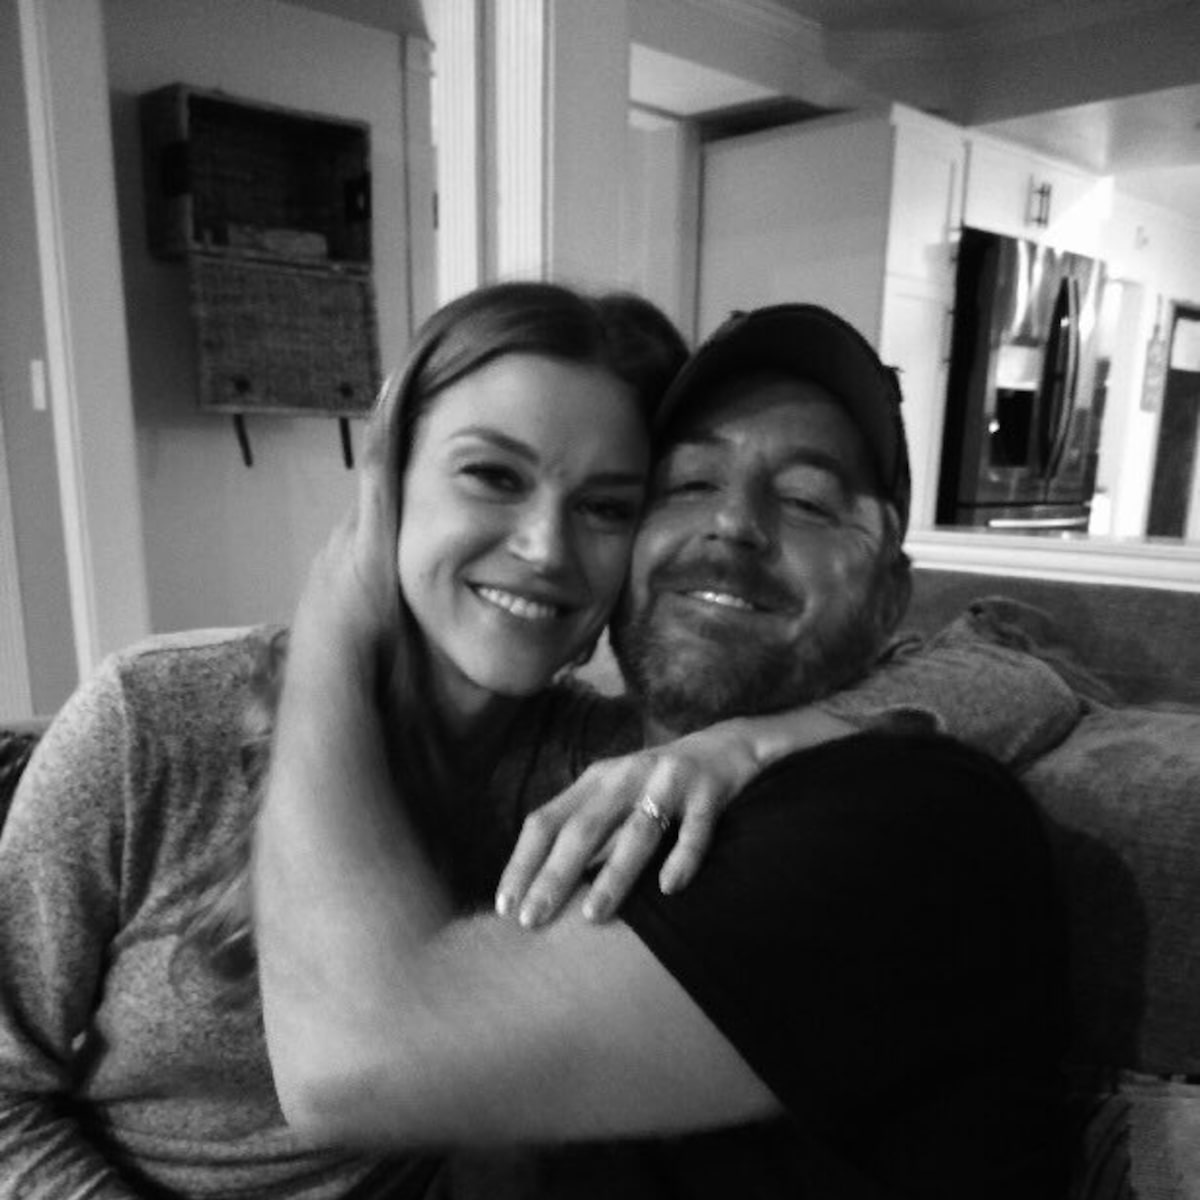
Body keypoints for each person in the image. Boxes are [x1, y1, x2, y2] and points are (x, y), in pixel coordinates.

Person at [0, 282, 1065, 1199]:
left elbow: (1016, 669)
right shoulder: (150, 721)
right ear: (386, 488)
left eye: (605, 505)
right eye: (494, 476)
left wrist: (766, 737)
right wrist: (335, 617)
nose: (546, 545)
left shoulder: (604, 778)